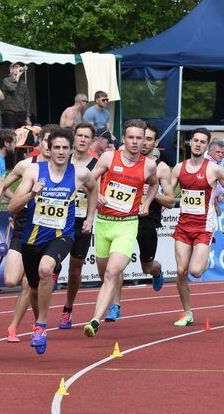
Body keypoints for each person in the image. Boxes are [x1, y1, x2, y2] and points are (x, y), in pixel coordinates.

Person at [6, 127, 93, 354]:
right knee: (33, 289)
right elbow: (12, 206)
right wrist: (32, 194)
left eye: (66, 148)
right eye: (57, 147)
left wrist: (90, 217)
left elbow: (94, 189)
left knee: (47, 269)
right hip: (32, 238)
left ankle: (41, 325)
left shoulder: (80, 173)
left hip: (62, 235)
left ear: (71, 149)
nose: (61, 152)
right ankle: (38, 322)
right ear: (49, 149)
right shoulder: (34, 171)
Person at [82, 120, 159, 337]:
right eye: (131, 138)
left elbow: (153, 184)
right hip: (104, 223)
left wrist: (146, 203)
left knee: (112, 272)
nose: (135, 142)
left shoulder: (148, 165)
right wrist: (97, 195)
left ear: (144, 140)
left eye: (139, 138)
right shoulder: (109, 157)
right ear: (124, 139)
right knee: (104, 273)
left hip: (127, 225)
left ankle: (94, 320)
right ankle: (103, 309)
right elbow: (90, 179)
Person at [0, 127, 52, 342]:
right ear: (40, 142)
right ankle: (36, 320)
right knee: (12, 280)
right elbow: (2, 186)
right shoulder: (26, 165)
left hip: (46, 230)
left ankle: (19, 327)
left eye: (56, 144)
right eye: (47, 142)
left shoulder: (65, 169)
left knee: (29, 283)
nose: (51, 148)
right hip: (23, 227)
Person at [170, 128, 224, 326]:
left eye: (202, 142)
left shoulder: (213, 169)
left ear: (207, 146)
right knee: (181, 271)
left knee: (196, 271)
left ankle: (205, 260)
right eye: (196, 140)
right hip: (183, 226)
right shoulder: (178, 168)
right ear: (190, 143)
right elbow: (168, 195)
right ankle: (187, 312)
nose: (198, 144)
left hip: (203, 227)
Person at [108, 123, 170, 322]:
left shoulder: (160, 168)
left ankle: (157, 271)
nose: (142, 143)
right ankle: (115, 305)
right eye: (140, 138)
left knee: (146, 267)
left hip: (147, 222)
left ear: (154, 142)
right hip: (123, 219)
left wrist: (153, 195)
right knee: (116, 266)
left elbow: (170, 200)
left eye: (149, 139)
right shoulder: (123, 161)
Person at [56, 122, 99, 328]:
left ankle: (68, 308)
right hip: (58, 219)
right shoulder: (63, 159)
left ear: (92, 141)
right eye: (79, 135)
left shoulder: (96, 165)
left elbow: (98, 192)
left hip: (81, 221)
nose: (82, 139)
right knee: (51, 263)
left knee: (74, 270)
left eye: (86, 136)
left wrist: (91, 217)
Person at [1, 62, 30, 129]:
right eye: (16, 67)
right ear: (11, 69)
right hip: (10, 114)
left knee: (22, 135)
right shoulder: (6, 80)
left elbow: (27, 101)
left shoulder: (23, 84)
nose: (18, 69)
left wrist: (28, 117)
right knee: (11, 135)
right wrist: (17, 76)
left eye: (19, 67)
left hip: (21, 114)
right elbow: (12, 88)